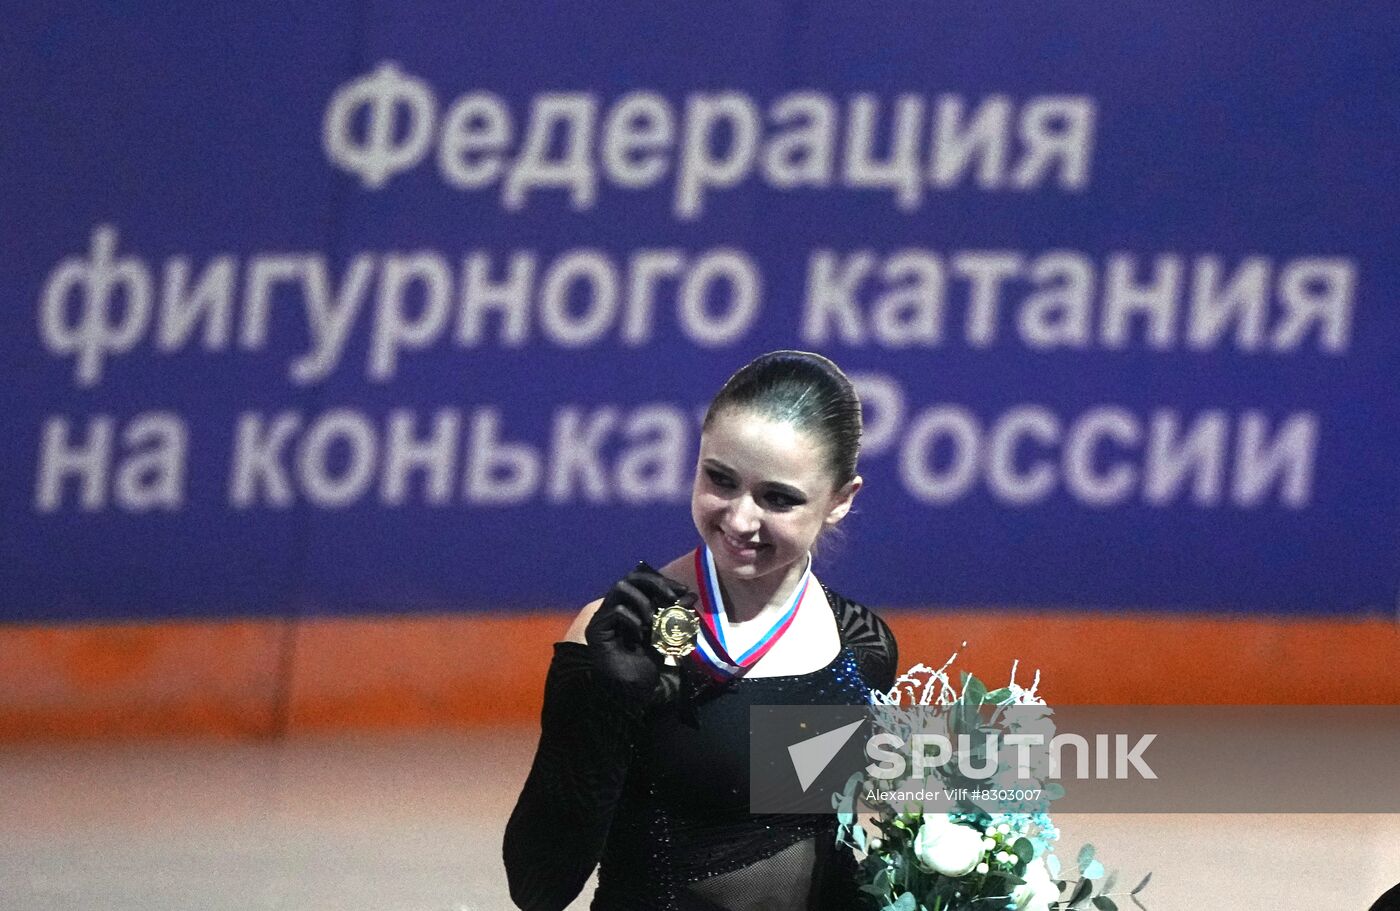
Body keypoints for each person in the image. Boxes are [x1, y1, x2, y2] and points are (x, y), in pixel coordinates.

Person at [503, 350, 899, 911]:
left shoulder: (861, 645)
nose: (740, 519)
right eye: (720, 479)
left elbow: (801, 830)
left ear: (840, 501)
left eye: (778, 498)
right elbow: (538, 887)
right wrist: (609, 704)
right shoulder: (623, 633)